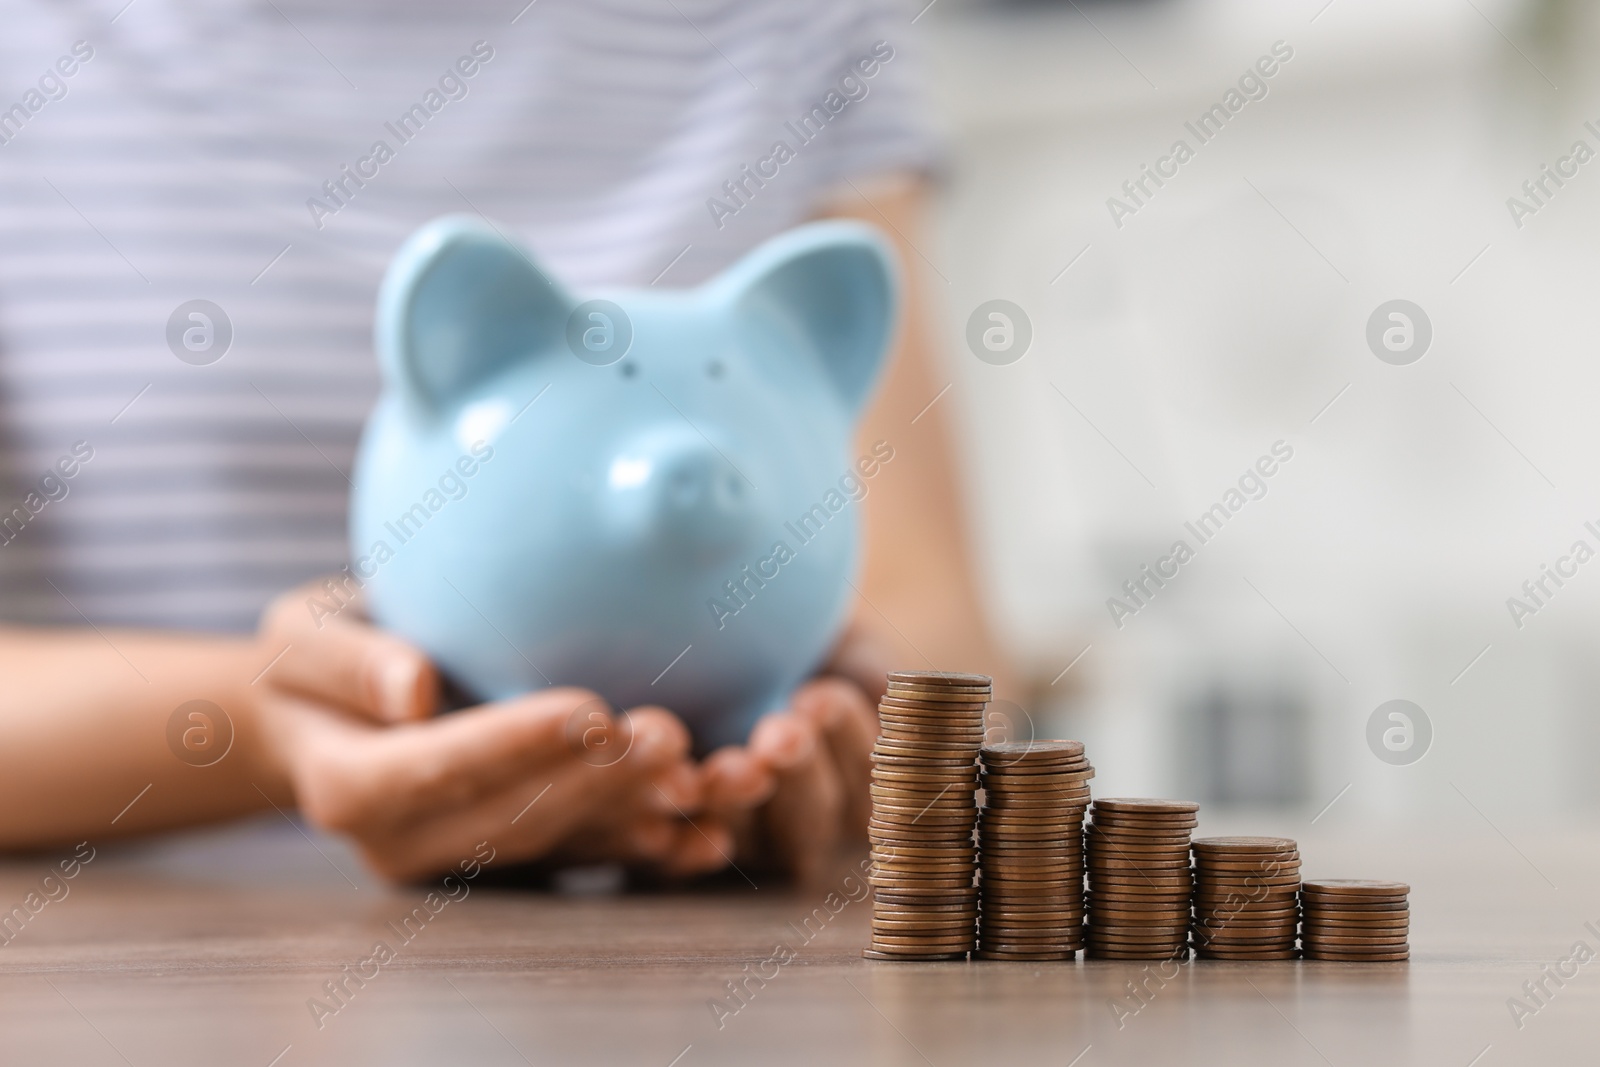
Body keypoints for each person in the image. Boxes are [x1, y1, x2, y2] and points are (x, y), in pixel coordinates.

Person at [0, 0, 1010, 884]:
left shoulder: (795, 17)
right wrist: (266, 727)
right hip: (150, 957)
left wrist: (809, 731)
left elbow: (939, 627)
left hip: (711, 947)